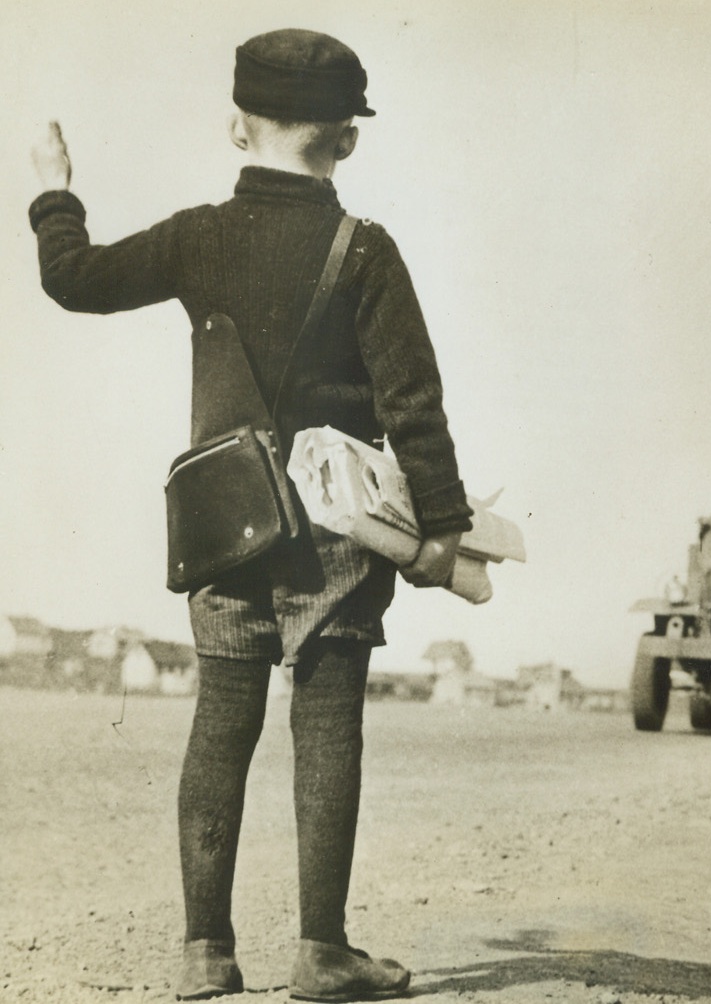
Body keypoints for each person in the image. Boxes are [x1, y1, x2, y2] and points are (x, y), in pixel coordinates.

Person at [29, 28, 473, 1002]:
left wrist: (57, 189)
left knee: (219, 726)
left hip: (225, 524)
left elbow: (74, 278)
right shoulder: (366, 252)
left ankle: (204, 950)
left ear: (237, 125)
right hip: (338, 540)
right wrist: (439, 526)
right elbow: (413, 401)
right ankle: (321, 950)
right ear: (348, 140)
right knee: (327, 731)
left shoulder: (197, 235)